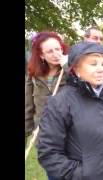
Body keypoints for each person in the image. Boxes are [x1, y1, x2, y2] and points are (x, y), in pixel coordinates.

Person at [37, 41, 103, 180]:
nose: (101, 69)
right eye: (93, 64)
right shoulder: (60, 103)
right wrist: (82, 175)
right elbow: (49, 153)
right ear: (76, 69)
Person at [25, 31, 69, 180]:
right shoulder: (33, 75)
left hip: (72, 135)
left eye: (58, 49)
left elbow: (85, 87)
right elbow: (28, 106)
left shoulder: (72, 70)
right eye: (50, 51)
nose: (56, 53)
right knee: (54, 175)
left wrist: (68, 67)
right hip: (46, 138)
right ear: (41, 55)